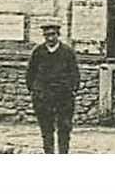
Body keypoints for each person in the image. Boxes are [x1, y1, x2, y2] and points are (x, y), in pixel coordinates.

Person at [26, 20, 80, 153]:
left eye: (53, 34)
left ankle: (63, 153)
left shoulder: (67, 52)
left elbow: (74, 73)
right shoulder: (38, 52)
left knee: (64, 127)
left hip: (63, 97)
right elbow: (30, 73)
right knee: (46, 128)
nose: (50, 38)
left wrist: (72, 90)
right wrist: (34, 91)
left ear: (58, 35)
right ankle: (48, 153)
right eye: (47, 35)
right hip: (43, 97)